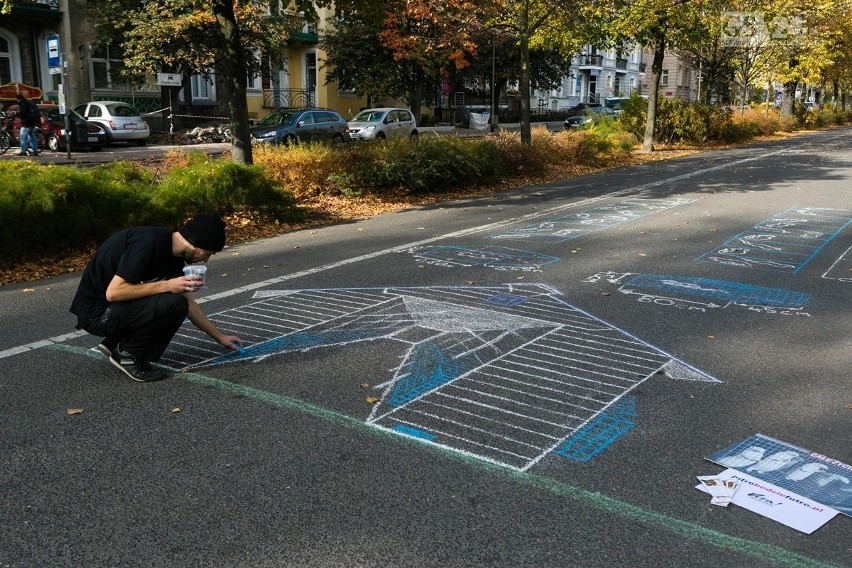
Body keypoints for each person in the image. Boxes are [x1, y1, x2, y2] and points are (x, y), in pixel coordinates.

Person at [70, 213, 243, 382]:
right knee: (173, 302)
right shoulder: (149, 244)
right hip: (97, 315)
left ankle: (114, 343)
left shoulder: (174, 257)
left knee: (177, 300)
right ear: (195, 243)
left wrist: (219, 337)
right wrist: (167, 285)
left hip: (110, 309)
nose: (205, 260)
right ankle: (129, 356)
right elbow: (114, 292)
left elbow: (189, 303)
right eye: (208, 253)